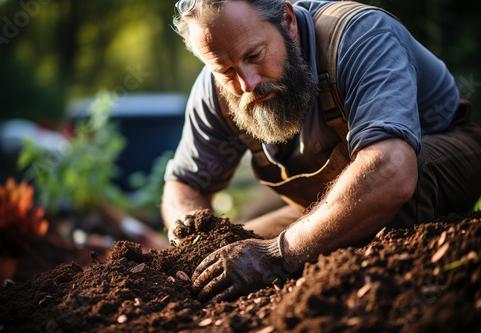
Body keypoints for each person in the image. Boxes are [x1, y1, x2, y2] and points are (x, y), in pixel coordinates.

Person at [161, 0, 481, 303]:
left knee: (393, 186)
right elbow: (184, 186)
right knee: (233, 249)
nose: (247, 83)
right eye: (226, 71)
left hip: (440, 158)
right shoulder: (215, 88)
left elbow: (390, 170)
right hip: (334, 198)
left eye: (255, 55)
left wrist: (278, 253)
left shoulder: (359, 35)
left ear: (287, 21)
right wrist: (199, 242)